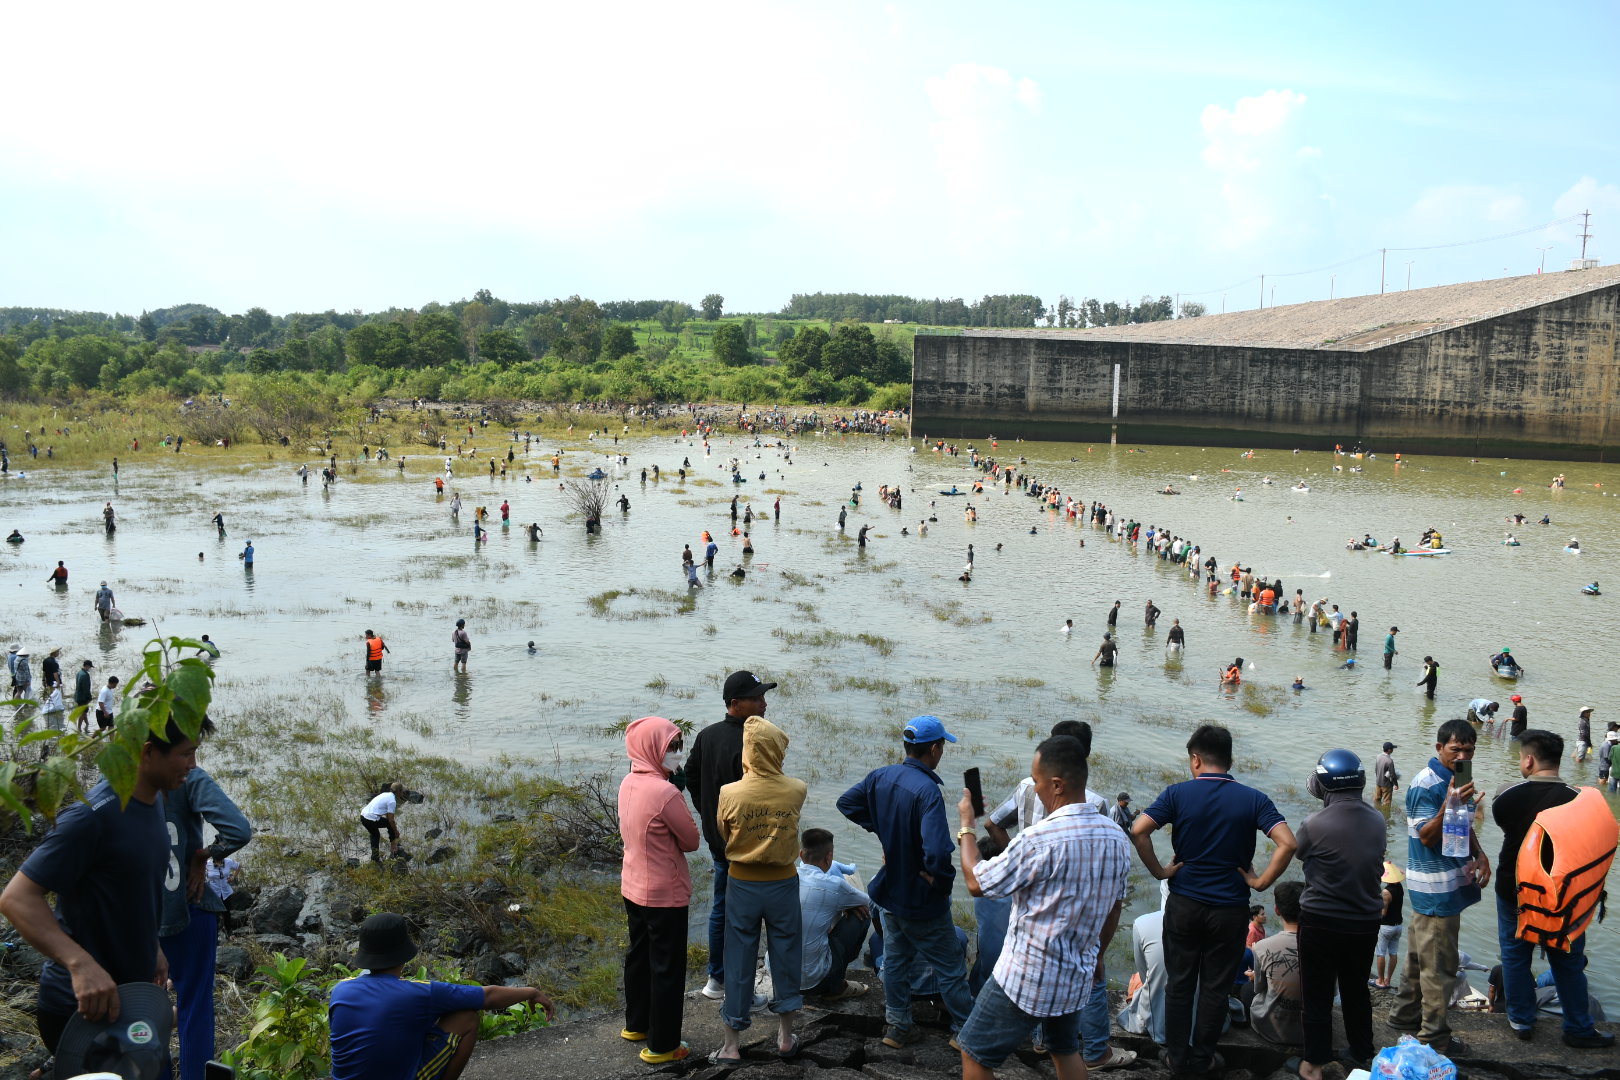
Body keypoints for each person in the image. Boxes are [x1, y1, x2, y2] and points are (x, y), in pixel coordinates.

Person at [0, 716, 200, 1061]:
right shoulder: (92, 816)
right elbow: (17, 898)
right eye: (186, 754)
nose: (193, 765)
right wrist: (80, 964)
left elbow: (127, 889)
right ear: (148, 752)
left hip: (130, 997)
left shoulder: (154, 802)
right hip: (82, 1008)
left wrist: (150, 946)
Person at [952, 734, 1131, 1080]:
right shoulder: (1116, 838)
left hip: (1026, 976)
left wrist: (966, 827)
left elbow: (976, 883)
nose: (1034, 790)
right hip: (1075, 973)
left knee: (973, 1052)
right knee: (1064, 1050)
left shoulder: (1038, 839)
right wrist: (1098, 955)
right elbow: (1114, 908)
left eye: (1036, 782)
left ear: (1058, 785)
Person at [1130, 724, 1296, 1078]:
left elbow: (1139, 829)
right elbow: (1288, 843)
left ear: (1196, 759)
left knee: (1180, 984)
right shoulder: (1254, 799)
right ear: (1229, 759)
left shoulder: (1177, 794)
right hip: (1230, 910)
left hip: (1185, 904)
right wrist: (1259, 882)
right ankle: (1203, 1059)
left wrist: (1161, 871)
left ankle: (1177, 1059)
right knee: (1215, 987)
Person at [837, 716, 975, 1048]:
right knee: (951, 967)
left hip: (888, 894)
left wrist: (886, 832)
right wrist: (939, 882)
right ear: (934, 748)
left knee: (896, 961)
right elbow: (938, 852)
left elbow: (846, 803)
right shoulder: (928, 791)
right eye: (942, 746)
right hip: (920, 899)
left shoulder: (881, 775)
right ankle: (967, 1032)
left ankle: (898, 1027)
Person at [1491, 729, 1614, 1048]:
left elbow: (1503, 821)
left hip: (1516, 891)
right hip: (1566, 895)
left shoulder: (1508, 795)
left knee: (1516, 955)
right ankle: (1577, 1027)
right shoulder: (1579, 799)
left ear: (1529, 759)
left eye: (1520, 757)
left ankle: (1520, 1020)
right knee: (1568, 960)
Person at [329, 912, 554, 1080]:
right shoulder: (418, 992)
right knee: (467, 1016)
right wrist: (532, 992)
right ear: (403, 955)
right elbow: (488, 996)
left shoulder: (340, 990)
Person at [1387, 718, 1487, 1057]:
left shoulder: (1459, 777)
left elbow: (1462, 824)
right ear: (1438, 747)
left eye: (1468, 750)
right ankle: (1435, 1039)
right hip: (1434, 889)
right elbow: (1427, 836)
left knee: (1418, 958)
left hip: (1447, 885)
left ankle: (1403, 1016)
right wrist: (1448, 803)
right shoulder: (1426, 783)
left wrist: (1480, 853)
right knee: (1439, 969)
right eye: (1454, 749)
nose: (1461, 755)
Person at [160, 718, 252, 1080]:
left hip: (142, 916)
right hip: (189, 903)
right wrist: (204, 855)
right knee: (195, 1003)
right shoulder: (191, 779)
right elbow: (238, 829)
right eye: (189, 751)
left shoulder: (121, 785)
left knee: (146, 1007)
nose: (193, 761)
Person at [710, 717, 806, 1065]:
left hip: (743, 882)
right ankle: (784, 1036)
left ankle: (732, 1044)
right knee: (786, 954)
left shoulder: (729, 792)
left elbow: (724, 834)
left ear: (748, 752)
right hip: (782, 882)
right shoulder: (796, 788)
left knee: (737, 958)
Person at [1292, 749, 1386, 1077]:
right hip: (1365, 923)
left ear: (1324, 785)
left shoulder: (1314, 823)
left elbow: (1299, 853)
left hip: (1321, 922)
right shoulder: (1377, 819)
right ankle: (1362, 1051)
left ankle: (1312, 1064)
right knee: (1356, 988)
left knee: (1316, 992)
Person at [686, 671, 776, 1004]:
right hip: (750, 845)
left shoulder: (707, 736)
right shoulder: (756, 741)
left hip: (718, 840)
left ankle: (717, 979)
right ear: (735, 704)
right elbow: (766, 794)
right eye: (757, 698)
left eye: (764, 697)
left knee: (722, 908)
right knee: (749, 916)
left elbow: (691, 777)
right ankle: (740, 988)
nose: (764, 704)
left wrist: (709, 813)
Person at [618, 716, 699, 1064]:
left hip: (633, 885)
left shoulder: (627, 783)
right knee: (667, 967)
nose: (676, 753)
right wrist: (677, 792)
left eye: (678, 746)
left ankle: (636, 1024)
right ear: (653, 748)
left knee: (639, 956)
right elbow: (692, 841)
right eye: (671, 746)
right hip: (664, 893)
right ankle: (663, 1045)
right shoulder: (665, 792)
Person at [797, 829, 870, 1000]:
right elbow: (867, 902)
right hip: (814, 983)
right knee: (863, 915)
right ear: (829, 858)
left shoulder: (785, 878)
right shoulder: (834, 885)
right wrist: (849, 905)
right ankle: (836, 985)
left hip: (779, 977)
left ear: (801, 854)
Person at [1247, 881, 1305, 1047]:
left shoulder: (1262, 947)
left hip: (1272, 1031)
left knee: (1246, 990)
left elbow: (1258, 988)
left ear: (1277, 910)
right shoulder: (1328, 948)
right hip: (1312, 1031)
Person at [1375, 862, 1405, 990]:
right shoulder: (1400, 888)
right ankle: (1388, 980)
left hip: (1386, 927)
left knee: (1381, 953)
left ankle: (1380, 980)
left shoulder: (1386, 892)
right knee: (1393, 952)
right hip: (1398, 925)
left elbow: (1384, 913)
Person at [361, 782, 405, 862]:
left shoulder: (385, 794)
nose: (402, 793)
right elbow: (391, 820)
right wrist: (396, 831)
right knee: (388, 825)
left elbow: (387, 815)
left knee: (375, 834)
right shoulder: (392, 801)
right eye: (401, 791)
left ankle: (375, 857)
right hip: (370, 819)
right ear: (398, 791)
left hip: (363, 816)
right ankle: (393, 848)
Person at [73, 660, 94, 734]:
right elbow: (86, 688)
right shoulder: (85, 675)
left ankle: (87, 724)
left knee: (84, 711)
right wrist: (89, 697)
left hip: (78, 696)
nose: (90, 668)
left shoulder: (79, 673)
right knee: (83, 712)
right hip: (83, 697)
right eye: (90, 667)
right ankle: (79, 728)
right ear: (87, 666)